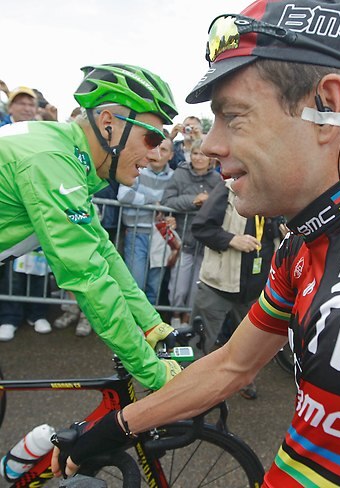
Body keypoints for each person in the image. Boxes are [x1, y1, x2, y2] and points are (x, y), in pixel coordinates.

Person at [52, 1, 340, 486]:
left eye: (233, 117)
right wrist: (114, 428)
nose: (210, 145)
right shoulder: (302, 242)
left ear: (327, 106)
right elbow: (231, 366)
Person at [0, 63, 182, 390]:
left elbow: (103, 251)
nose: (155, 154)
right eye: (151, 138)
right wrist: (153, 372)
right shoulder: (52, 160)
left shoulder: (70, 153)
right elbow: (88, 277)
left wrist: (152, 324)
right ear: (108, 124)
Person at [190, 177, 282, 398]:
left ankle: (242, 382)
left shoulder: (276, 190)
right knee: (199, 341)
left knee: (249, 345)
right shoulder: (228, 189)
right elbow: (200, 227)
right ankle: (184, 389)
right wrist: (232, 239)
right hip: (219, 285)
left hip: (255, 290)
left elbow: (274, 234)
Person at [0, 85, 52, 341]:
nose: (26, 108)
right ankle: (9, 317)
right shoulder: (3, 131)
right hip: (11, 213)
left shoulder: (41, 132)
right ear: (10, 107)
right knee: (12, 269)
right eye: (21, 103)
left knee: (39, 267)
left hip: (37, 211)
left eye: (30, 104)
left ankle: (37, 312)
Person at [161, 139, 221, 328]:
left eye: (203, 154)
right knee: (177, 288)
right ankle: (175, 316)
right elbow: (167, 201)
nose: (198, 158)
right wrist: (193, 201)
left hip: (205, 244)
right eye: (195, 153)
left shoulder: (217, 180)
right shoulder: (180, 174)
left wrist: (210, 203)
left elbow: (222, 208)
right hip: (184, 240)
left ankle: (188, 321)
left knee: (197, 288)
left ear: (211, 159)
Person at [117, 137, 176, 305]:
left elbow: (174, 203)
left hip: (161, 236)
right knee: (135, 283)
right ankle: (132, 326)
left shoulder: (174, 177)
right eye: (156, 147)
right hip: (137, 233)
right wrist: (153, 202)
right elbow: (124, 195)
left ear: (171, 155)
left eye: (164, 150)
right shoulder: (139, 169)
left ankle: (149, 328)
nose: (158, 153)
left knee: (154, 286)